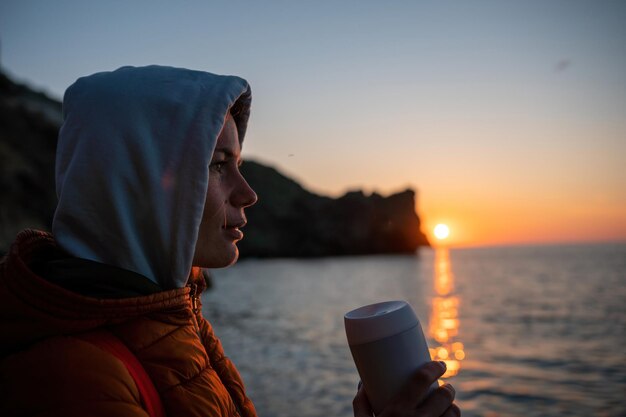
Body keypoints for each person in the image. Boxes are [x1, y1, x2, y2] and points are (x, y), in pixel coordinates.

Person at [0, 65, 459, 417]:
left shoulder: (173, 313)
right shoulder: (74, 380)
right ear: (137, 182)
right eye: (219, 164)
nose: (249, 193)